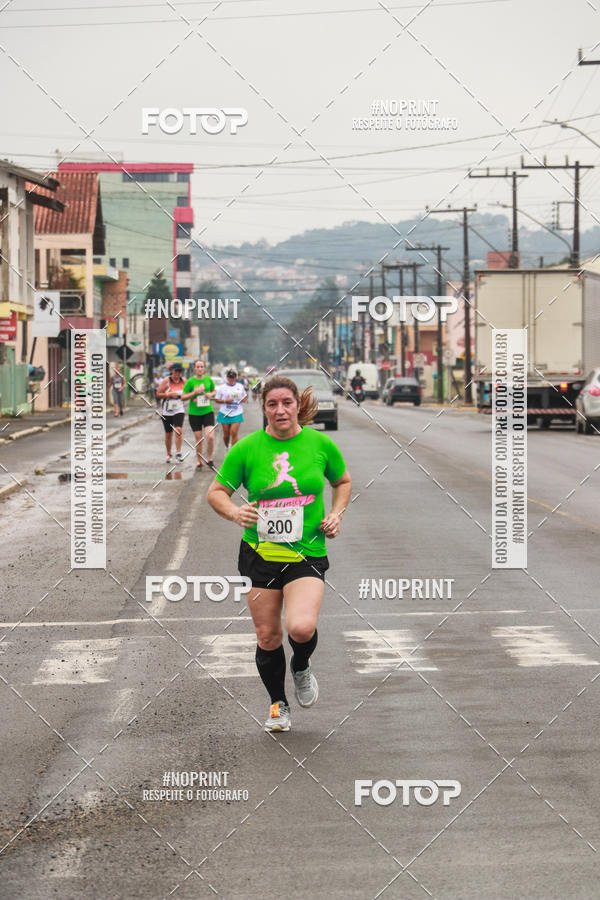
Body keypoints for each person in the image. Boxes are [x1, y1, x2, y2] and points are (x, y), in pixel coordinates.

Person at [207, 375, 351, 733]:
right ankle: (278, 704)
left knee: (300, 628)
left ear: (296, 406)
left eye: (286, 402)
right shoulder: (247, 449)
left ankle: (300, 665)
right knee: (268, 636)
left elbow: (343, 482)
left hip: (307, 552)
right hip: (260, 553)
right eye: (272, 404)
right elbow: (216, 492)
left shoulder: (319, 443)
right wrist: (234, 512)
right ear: (264, 408)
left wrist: (335, 515)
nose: (280, 410)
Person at [183, 359, 217, 470]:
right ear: (194, 368)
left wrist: (210, 394)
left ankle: (209, 459)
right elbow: (183, 397)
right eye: (198, 367)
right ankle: (199, 461)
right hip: (194, 414)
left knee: (210, 437)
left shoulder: (208, 379)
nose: (200, 369)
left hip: (207, 411)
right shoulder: (190, 381)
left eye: (202, 366)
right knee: (199, 439)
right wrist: (194, 393)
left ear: (204, 368)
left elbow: (214, 391)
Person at [157, 362, 187, 463]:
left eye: (179, 371)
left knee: (178, 429)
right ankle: (168, 453)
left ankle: (178, 452)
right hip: (167, 411)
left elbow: (188, 393)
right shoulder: (166, 381)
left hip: (179, 409)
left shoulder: (184, 381)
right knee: (168, 434)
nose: (177, 373)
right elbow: (158, 394)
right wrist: (168, 394)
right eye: (176, 371)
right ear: (172, 371)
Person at [213, 368, 247, 450]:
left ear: (236, 377)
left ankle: (233, 451)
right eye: (229, 377)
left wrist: (241, 399)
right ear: (227, 377)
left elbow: (245, 398)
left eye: (233, 377)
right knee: (226, 434)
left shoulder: (240, 386)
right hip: (224, 413)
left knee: (234, 432)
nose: (231, 379)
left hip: (237, 412)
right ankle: (227, 446)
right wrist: (225, 400)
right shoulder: (222, 388)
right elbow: (217, 399)